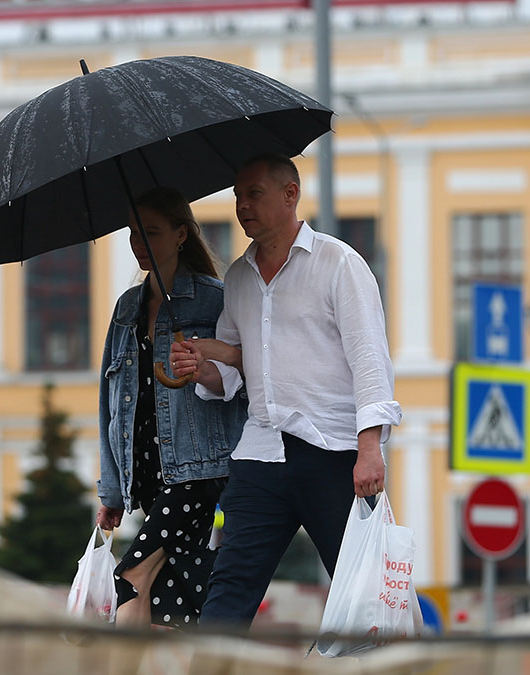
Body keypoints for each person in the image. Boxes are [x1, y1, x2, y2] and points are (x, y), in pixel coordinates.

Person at [170, 154, 402, 627]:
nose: (242, 206)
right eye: (237, 196)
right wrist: (201, 368)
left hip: (333, 452)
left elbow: (370, 358)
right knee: (229, 584)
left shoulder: (340, 263)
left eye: (253, 194)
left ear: (290, 194)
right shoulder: (237, 277)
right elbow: (234, 372)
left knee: (365, 595)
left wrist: (370, 446)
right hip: (261, 453)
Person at [96, 186, 248, 629]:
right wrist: (112, 488)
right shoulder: (127, 308)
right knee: (170, 604)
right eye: (133, 234)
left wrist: (205, 365)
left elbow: (246, 381)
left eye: (152, 233)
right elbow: (109, 403)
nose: (139, 244)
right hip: (148, 473)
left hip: (199, 471)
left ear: (182, 234)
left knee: (131, 577)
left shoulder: (214, 299)